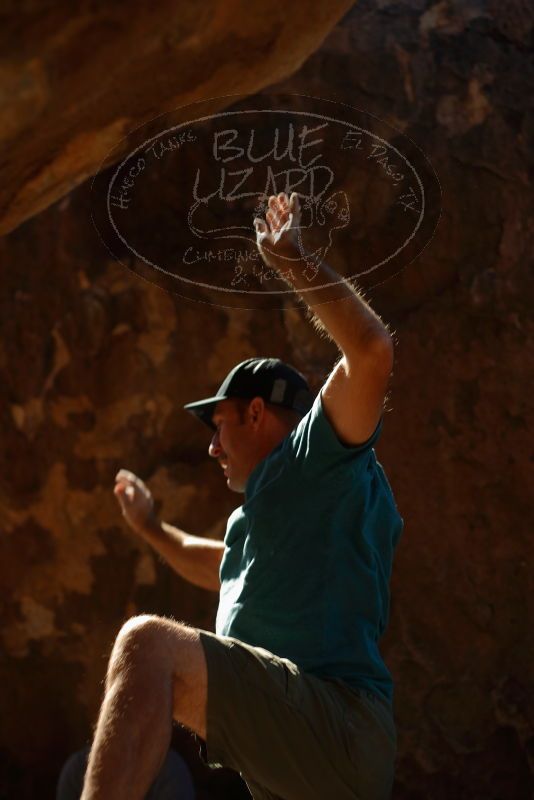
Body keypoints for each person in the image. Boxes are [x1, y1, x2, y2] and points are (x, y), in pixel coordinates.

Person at [80, 192, 403, 800]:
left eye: (219, 424)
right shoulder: (265, 517)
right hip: (300, 759)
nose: (212, 447)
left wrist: (293, 260)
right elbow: (221, 566)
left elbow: (371, 353)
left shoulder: (316, 457)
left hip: (333, 725)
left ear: (257, 413)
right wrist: (152, 529)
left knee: (147, 645)